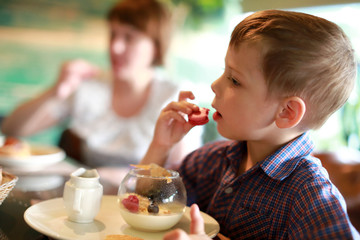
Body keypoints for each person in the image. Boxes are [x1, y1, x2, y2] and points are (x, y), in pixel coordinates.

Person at [139, 10, 360, 239]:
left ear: (287, 111)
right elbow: (145, 203)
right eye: (224, 72)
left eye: (234, 80)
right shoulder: (210, 161)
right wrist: (162, 145)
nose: (215, 85)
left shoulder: (309, 193)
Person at [1, 0, 201, 169]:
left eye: (129, 37)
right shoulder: (92, 87)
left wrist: (110, 179)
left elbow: (181, 174)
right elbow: (13, 129)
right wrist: (56, 90)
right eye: (113, 34)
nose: (115, 47)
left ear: (156, 48)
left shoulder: (174, 95)